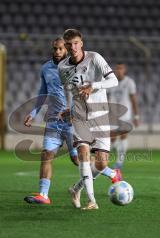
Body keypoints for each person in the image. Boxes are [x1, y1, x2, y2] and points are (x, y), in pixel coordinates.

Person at [58, 29, 122, 210]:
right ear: (65, 45)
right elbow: (70, 91)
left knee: (101, 163)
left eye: (76, 43)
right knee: (83, 154)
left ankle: (75, 188)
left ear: (82, 43)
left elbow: (114, 81)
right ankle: (92, 200)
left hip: (100, 114)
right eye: (69, 44)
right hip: (79, 115)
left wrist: (93, 86)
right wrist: (69, 109)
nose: (73, 48)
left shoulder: (95, 58)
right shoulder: (62, 68)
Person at [23, 37, 78, 204]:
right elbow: (42, 94)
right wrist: (33, 113)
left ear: (66, 50)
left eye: (61, 49)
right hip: (53, 121)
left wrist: (77, 113)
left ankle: (111, 173)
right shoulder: (46, 68)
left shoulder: (75, 67)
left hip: (72, 122)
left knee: (77, 160)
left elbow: (80, 93)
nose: (57, 52)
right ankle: (44, 195)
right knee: (46, 154)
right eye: (55, 49)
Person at [103, 63, 140, 170]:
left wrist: (136, 116)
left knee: (123, 136)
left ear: (125, 70)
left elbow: (133, 99)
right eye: (117, 68)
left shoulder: (130, 82)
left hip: (126, 114)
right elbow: (107, 97)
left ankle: (119, 162)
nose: (119, 70)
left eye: (121, 68)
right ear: (115, 70)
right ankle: (114, 153)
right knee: (112, 139)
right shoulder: (111, 82)